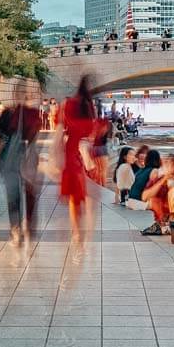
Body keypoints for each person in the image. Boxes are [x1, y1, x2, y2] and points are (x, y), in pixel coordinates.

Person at [0, 101, 42, 242]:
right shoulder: (31, 115)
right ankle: (28, 224)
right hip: (28, 161)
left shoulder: (8, 114)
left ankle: (16, 228)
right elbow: (36, 139)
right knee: (28, 194)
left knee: (13, 197)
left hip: (10, 162)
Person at [61, 76, 97, 240]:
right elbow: (92, 129)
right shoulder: (89, 105)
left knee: (74, 194)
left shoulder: (70, 103)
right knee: (81, 192)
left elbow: (64, 124)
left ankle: (76, 230)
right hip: (84, 149)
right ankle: (79, 228)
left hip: (72, 148)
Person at [139, 153, 174, 235]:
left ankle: (168, 226)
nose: (169, 169)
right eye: (166, 165)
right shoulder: (159, 179)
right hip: (163, 217)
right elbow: (144, 197)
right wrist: (163, 180)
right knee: (154, 197)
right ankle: (163, 225)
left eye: (171, 166)